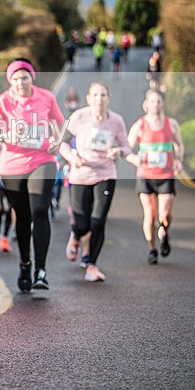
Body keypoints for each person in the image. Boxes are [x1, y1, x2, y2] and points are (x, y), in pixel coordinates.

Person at [0, 58, 64, 292]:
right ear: (10, 81)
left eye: (24, 77)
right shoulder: (2, 103)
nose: (20, 82)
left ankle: (41, 271)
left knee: (39, 210)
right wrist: (4, 136)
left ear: (32, 77)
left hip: (43, 160)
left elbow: (61, 125)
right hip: (12, 167)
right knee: (23, 218)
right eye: (15, 78)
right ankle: (25, 264)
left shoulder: (46, 97)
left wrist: (58, 141)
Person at [59, 83, 131, 281]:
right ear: (89, 98)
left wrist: (118, 151)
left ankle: (92, 265)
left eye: (103, 95)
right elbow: (62, 143)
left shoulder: (116, 120)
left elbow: (126, 146)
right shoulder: (79, 117)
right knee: (82, 224)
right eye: (96, 95)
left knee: (98, 221)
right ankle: (75, 235)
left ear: (108, 98)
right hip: (80, 174)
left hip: (106, 174)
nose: (99, 99)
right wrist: (73, 158)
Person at [125, 90, 185, 265]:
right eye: (152, 101)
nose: (155, 104)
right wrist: (134, 158)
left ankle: (164, 233)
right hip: (145, 175)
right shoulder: (140, 125)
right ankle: (152, 249)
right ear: (147, 104)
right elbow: (127, 149)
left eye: (158, 101)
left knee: (164, 215)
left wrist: (179, 160)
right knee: (150, 215)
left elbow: (179, 144)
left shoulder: (171, 124)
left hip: (166, 175)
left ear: (162, 103)